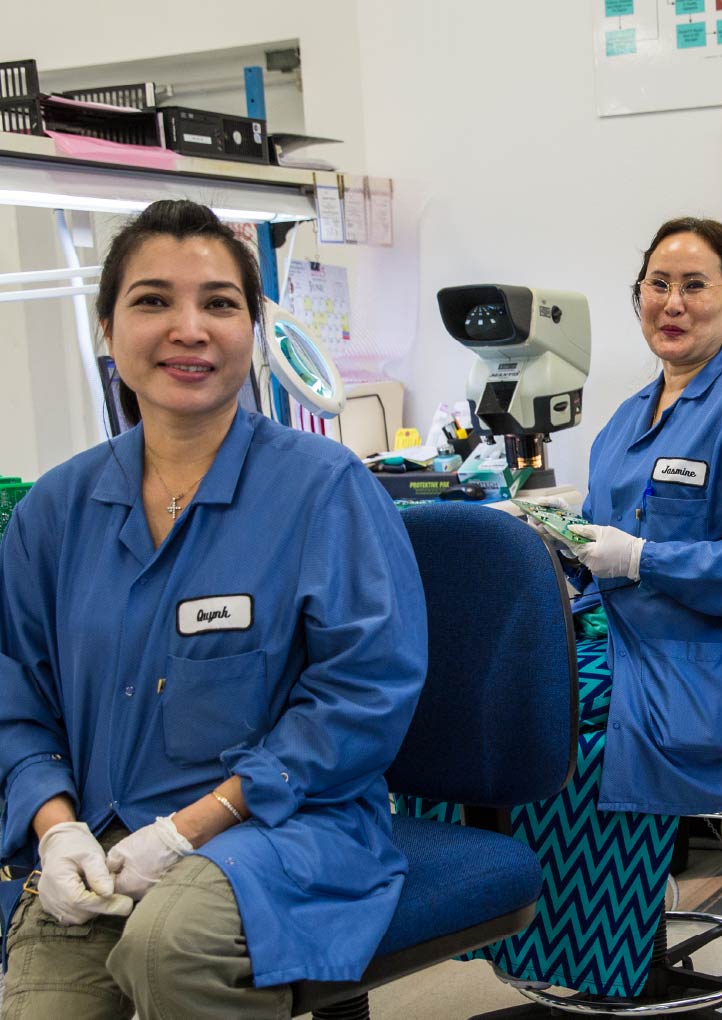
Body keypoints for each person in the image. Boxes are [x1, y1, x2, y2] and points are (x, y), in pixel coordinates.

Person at [0, 199, 427, 1018]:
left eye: (219, 304)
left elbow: (363, 696)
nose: (188, 328)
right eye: (153, 300)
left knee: (173, 945)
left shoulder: (323, 490)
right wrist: (55, 830)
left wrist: (190, 828)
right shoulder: (54, 512)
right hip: (105, 834)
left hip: (293, 823)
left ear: (254, 329)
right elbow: (17, 700)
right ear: (107, 326)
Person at [457, 216, 722, 999]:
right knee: (466, 698)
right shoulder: (626, 418)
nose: (673, 302)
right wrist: (555, 542)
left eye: (696, 285)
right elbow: (601, 544)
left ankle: (607, 961)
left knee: (559, 724)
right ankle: (505, 930)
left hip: (695, 665)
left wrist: (643, 557)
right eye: (658, 284)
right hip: (608, 634)